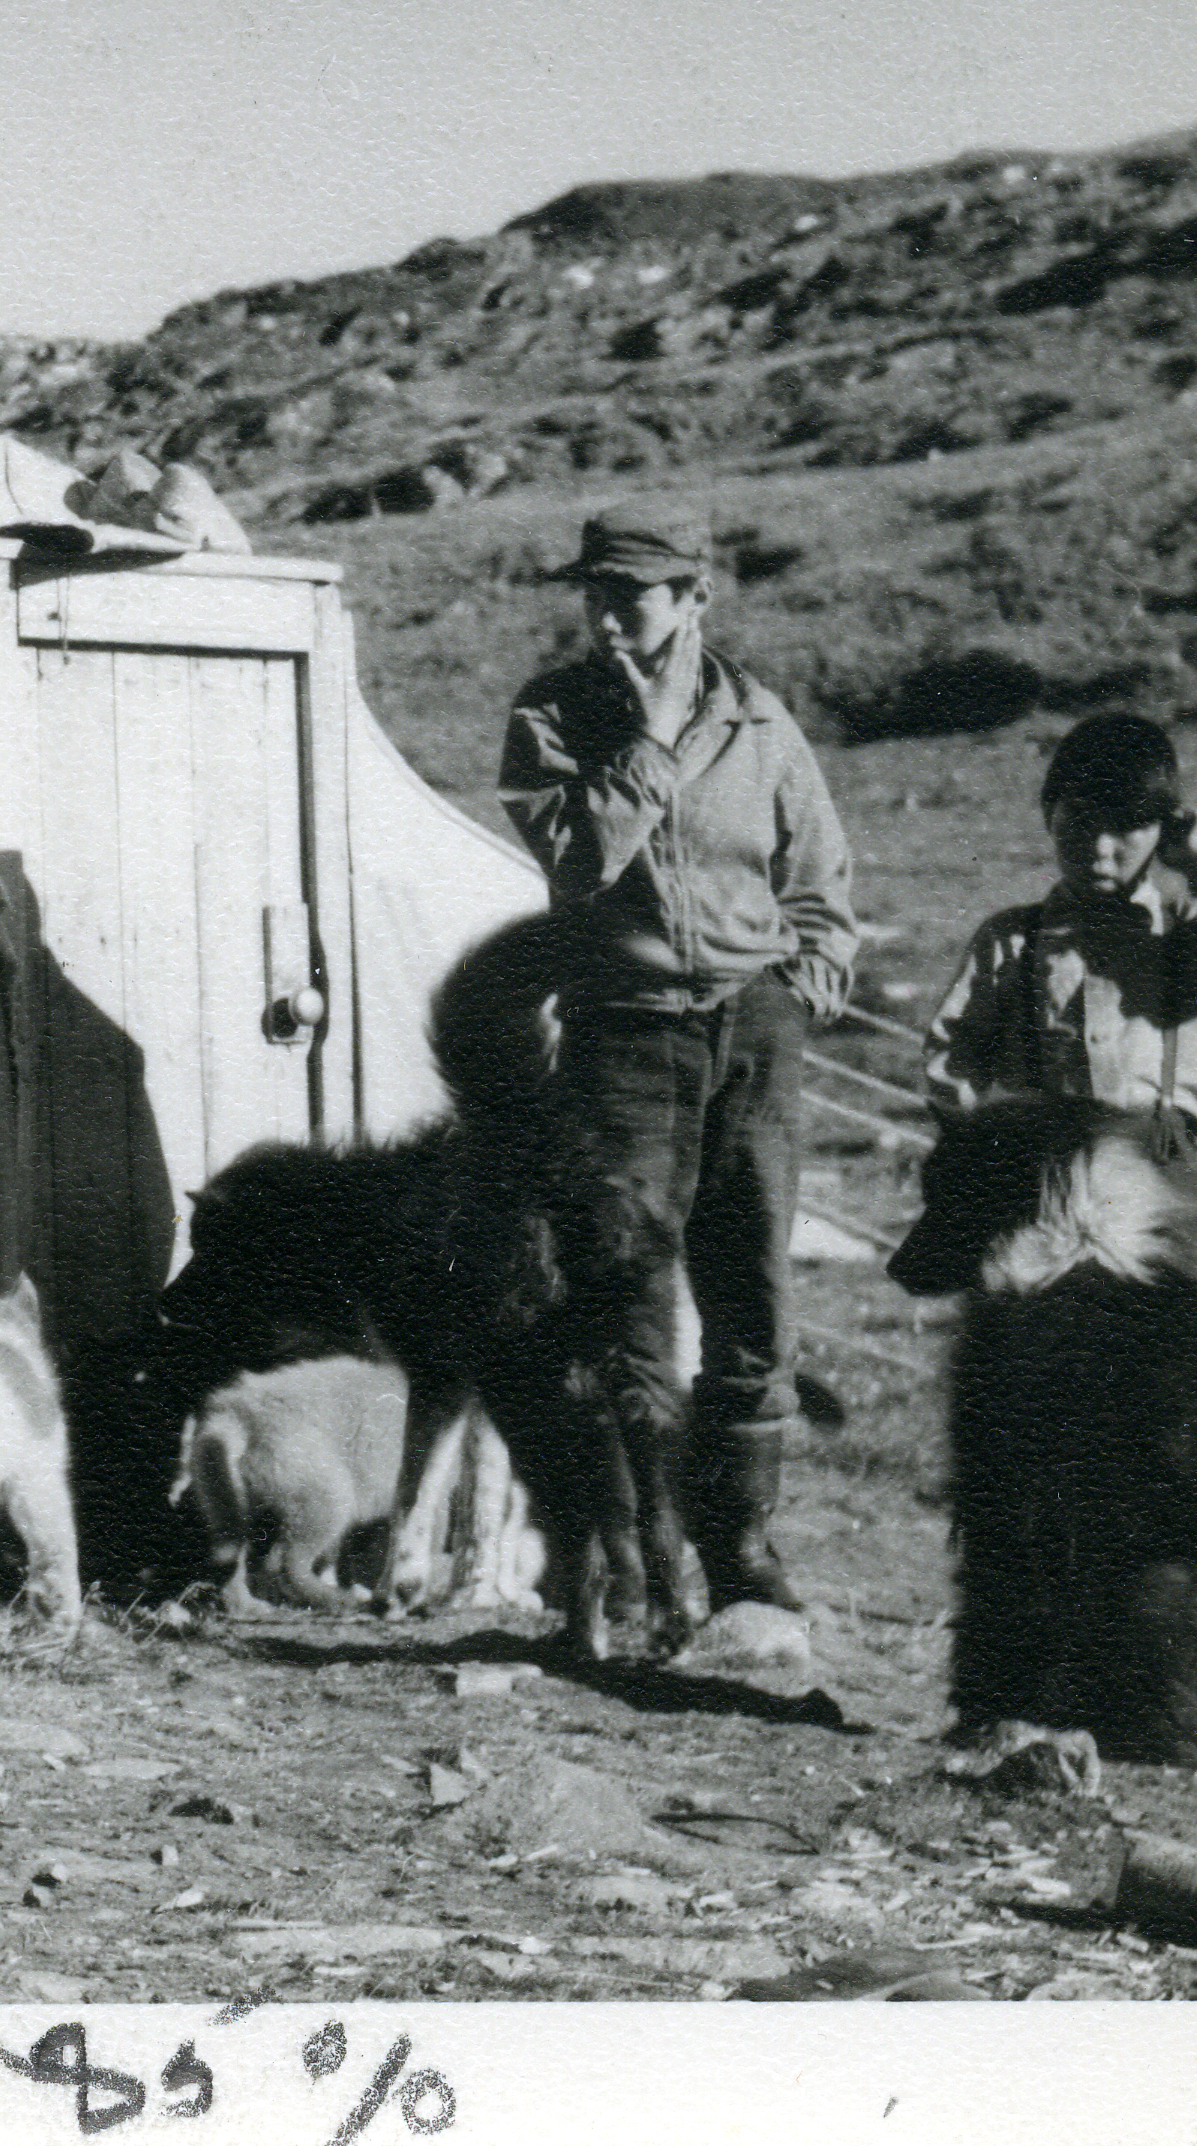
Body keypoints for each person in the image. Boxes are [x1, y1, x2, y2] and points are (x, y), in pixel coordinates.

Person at [498, 498, 859, 1619]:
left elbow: (819, 881)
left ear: (693, 597)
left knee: (752, 1292)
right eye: (594, 595)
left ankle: (738, 1549)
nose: (607, 620)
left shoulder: (760, 723)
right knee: (626, 1305)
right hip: (624, 1038)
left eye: (632, 597)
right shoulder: (553, 718)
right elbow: (572, 863)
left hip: (750, 1032)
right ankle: (645, 1567)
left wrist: (804, 988)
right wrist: (647, 748)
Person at [920, 712, 1197, 1155]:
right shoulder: (1011, 940)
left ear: (1163, 828)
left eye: (1126, 826)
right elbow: (954, 1063)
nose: (1100, 848)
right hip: (1047, 1178)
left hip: (1162, 1175)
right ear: (1049, 816)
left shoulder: (1189, 929)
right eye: (1081, 822)